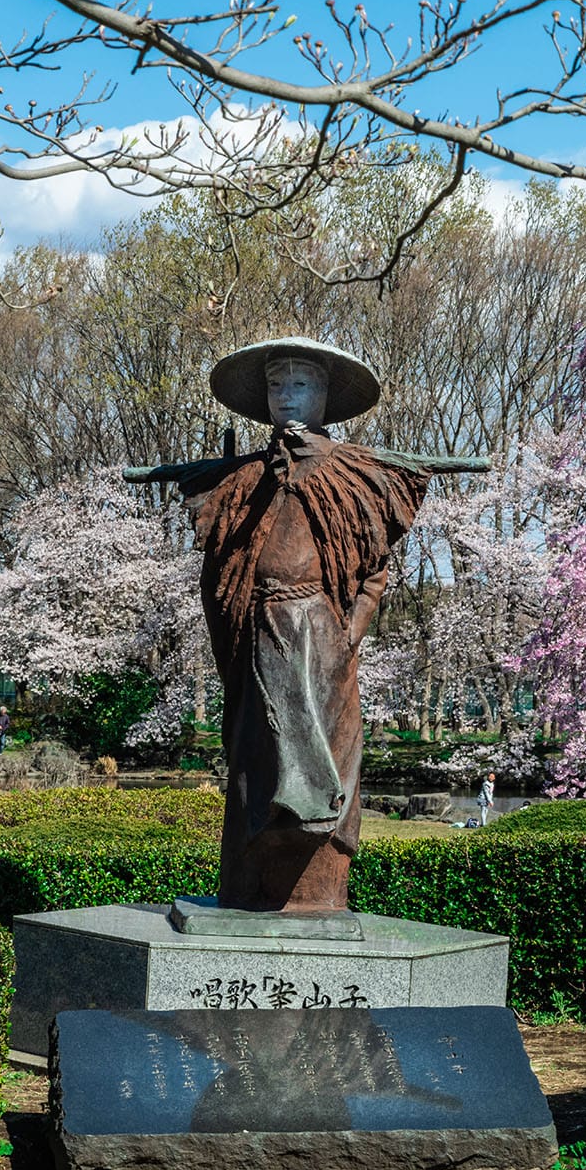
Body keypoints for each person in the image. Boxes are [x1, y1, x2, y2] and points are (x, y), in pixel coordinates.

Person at [180, 338, 434, 913]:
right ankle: (249, 886)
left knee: (329, 756)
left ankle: (316, 890)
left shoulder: (358, 475)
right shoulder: (243, 478)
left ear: (324, 395)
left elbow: (374, 570)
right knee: (253, 759)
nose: (286, 397)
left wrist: (348, 634)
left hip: (320, 635)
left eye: (300, 384)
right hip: (255, 629)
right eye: (276, 385)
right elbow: (219, 566)